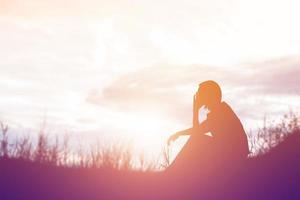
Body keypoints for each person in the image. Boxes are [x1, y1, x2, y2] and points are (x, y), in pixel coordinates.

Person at [167, 80, 249, 171]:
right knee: (197, 140)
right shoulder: (220, 110)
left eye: (200, 93)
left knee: (196, 140)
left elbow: (197, 132)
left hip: (234, 155)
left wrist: (195, 111)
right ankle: (174, 171)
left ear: (209, 95)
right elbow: (198, 130)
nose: (198, 96)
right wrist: (179, 133)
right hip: (232, 153)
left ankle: (172, 172)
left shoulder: (221, 112)